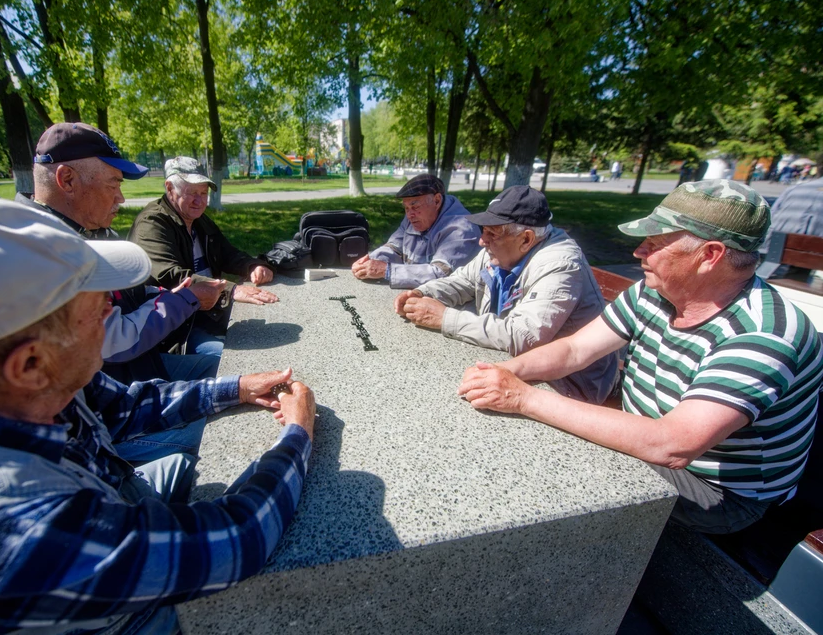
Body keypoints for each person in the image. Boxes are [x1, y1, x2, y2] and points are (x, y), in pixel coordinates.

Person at [0, 196, 316, 633]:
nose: (112, 308)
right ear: (30, 362)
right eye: (95, 306)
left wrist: (236, 386)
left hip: (97, 495)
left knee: (180, 464)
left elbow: (124, 405)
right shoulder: (4, 521)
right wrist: (297, 434)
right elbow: (239, 539)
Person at [458, 180, 821, 534]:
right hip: (652, 439)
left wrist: (522, 397)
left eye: (655, 243)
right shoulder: (658, 291)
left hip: (720, 493)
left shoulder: (763, 333)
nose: (638, 253)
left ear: (710, 255)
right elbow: (576, 349)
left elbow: (673, 444)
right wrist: (505, 370)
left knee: (563, 462)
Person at [16, 122, 225, 386]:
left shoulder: (91, 229)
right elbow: (115, 342)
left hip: (142, 371)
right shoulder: (42, 251)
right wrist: (185, 299)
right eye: (113, 184)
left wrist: (168, 295)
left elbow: (132, 291)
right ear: (67, 179)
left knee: (233, 369)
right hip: (118, 405)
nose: (121, 198)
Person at [395, 186, 617, 404]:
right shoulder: (499, 249)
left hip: (568, 387)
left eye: (492, 232)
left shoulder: (560, 264)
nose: (482, 241)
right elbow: (462, 281)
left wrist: (444, 318)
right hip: (514, 364)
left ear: (526, 239)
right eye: (483, 230)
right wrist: (423, 292)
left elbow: (524, 336)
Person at [128, 156, 278, 360]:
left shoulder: (196, 218)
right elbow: (171, 275)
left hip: (210, 312)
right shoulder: (152, 224)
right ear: (170, 188)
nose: (200, 201)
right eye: (192, 193)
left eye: (203, 193)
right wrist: (230, 290)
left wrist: (251, 266)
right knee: (233, 360)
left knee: (272, 335)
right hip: (178, 328)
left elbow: (227, 253)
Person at [351, 174, 481, 289]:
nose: (409, 215)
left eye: (415, 206)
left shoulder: (462, 229)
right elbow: (394, 247)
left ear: (436, 200)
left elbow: (441, 274)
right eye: (406, 208)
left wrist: (387, 271)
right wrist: (370, 261)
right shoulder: (415, 216)